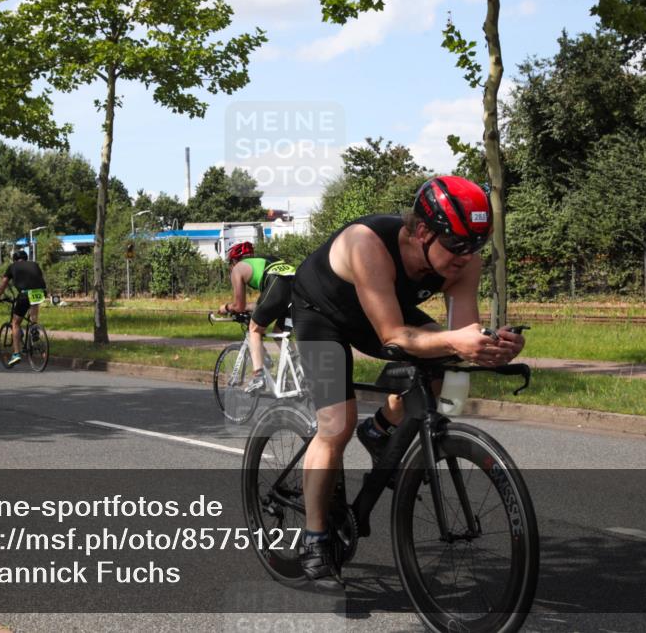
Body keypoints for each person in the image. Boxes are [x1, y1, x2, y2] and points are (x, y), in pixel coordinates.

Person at [291, 175, 526, 587]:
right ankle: (315, 536)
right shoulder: (367, 244)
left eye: (476, 246)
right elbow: (393, 336)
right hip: (323, 315)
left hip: (382, 308)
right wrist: (455, 341)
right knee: (335, 424)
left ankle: (380, 428)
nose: (466, 256)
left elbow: (459, 336)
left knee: (441, 361)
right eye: (457, 245)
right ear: (422, 231)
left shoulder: (462, 260)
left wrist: (489, 347)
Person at [217, 242, 296, 392]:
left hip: (277, 286)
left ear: (233, 261)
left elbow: (239, 306)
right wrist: (248, 308)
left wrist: (226, 307)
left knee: (254, 329)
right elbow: (265, 303)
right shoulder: (266, 260)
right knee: (279, 334)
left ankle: (258, 377)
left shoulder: (237, 269)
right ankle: (300, 369)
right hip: (298, 287)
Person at [0, 249, 47, 367]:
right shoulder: (35, 264)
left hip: (24, 294)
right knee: (34, 304)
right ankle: (34, 328)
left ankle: (16, 354)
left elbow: (3, 284)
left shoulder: (12, 267)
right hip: (41, 292)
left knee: (16, 323)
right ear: (26, 258)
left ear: (14, 259)